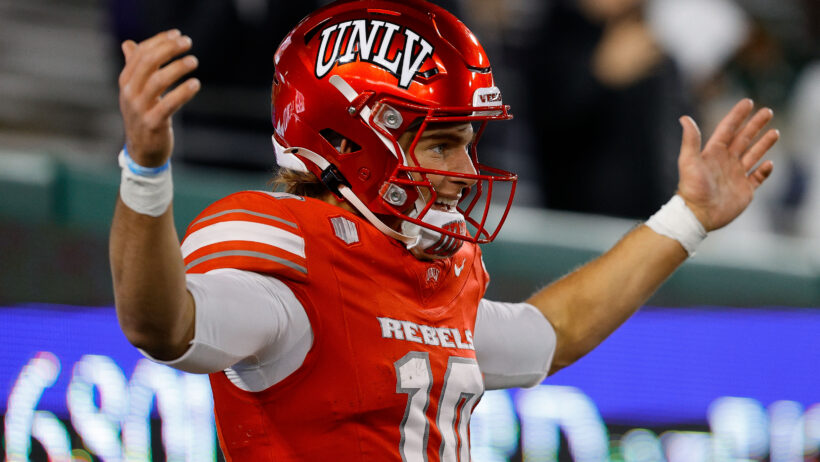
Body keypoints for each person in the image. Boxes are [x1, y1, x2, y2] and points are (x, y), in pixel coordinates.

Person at [109, 0, 779, 460]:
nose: (466, 169)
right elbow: (160, 324)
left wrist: (686, 216)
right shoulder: (297, 270)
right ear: (353, 142)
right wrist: (145, 168)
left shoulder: (423, 277)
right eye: (443, 144)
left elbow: (555, 332)